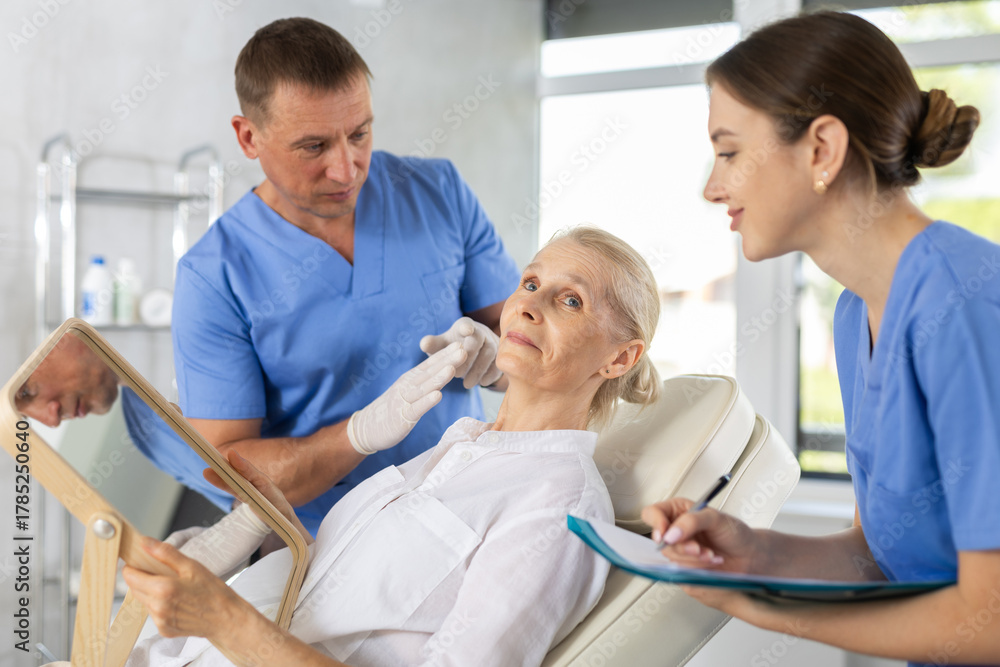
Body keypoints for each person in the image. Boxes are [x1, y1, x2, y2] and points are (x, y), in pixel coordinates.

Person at [113, 228, 662, 667]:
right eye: (530, 282)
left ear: (619, 359)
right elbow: (347, 604)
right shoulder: (462, 446)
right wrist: (278, 530)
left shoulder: (558, 503)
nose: (529, 306)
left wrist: (225, 621)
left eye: (571, 300)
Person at [642, 11, 1000, 667]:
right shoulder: (855, 313)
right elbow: (882, 557)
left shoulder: (967, 305)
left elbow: (991, 618)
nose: (712, 187)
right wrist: (753, 553)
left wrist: (766, 607)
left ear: (822, 150)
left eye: (729, 151)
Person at [170, 17, 520, 534]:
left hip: (465, 513)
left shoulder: (438, 193)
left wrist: (500, 361)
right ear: (248, 137)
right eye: (313, 146)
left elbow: (528, 347)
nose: (346, 168)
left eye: (359, 134)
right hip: (328, 545)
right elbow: (227, 468)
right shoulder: (214, 276)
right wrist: (357, 436)